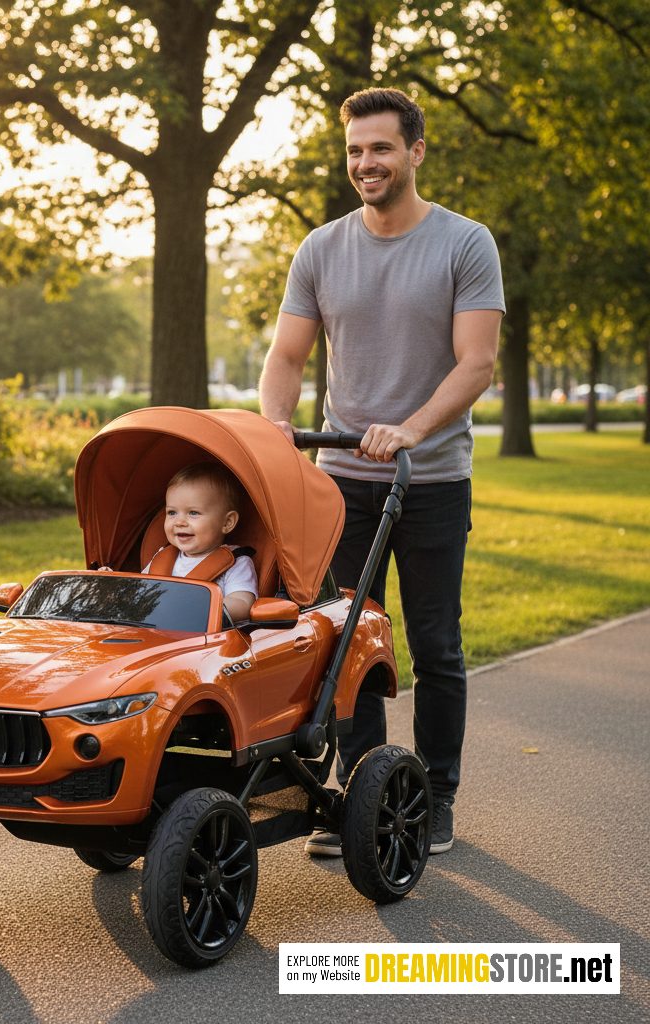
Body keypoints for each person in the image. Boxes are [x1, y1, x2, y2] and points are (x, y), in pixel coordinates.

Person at [259, 87, 505, 856]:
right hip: (340, 480)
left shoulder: (465, 243)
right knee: (342, 641)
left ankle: (435, 797)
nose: (366, 162)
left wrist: (411, 430)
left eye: (381, 148)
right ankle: (364, 800)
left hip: (430, 480)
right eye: (356, 150)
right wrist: (275, 425)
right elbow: (287, 355)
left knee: (434, 646)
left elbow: (477, 363)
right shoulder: (321, 248)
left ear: (415, 152)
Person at [143, 462, 258, 621]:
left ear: (227, 522)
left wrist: (202, 610)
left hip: (202, 632)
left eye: (193, 513)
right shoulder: (162, 557)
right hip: (155, 630)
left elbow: (243, 603)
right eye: (172, 512)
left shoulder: (236, 562)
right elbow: (139, 590)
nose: (179, 522)